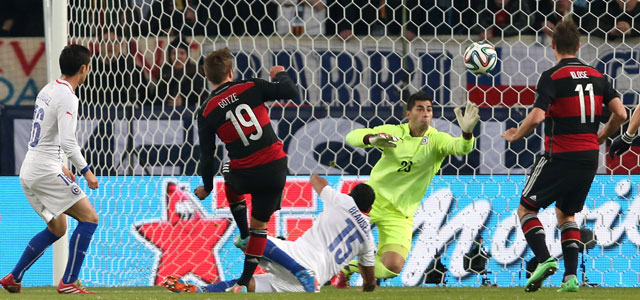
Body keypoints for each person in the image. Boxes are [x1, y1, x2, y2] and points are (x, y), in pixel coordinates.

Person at [501, 21, 626, 293]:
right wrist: (602, 137)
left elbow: (536, 118)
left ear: (553, 45)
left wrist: (515, 135)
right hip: (589, 157)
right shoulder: (597, 75)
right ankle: (570, 278)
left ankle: (545, 259)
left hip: (560, 154)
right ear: (579, 45)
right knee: (566, 214)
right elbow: (622, 114)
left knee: (526, 209)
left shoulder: (553, 77)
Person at [336, 91, 480, 287]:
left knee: (392, 267)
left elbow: (461, 148)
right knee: (335, 246)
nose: (425, 114)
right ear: (408, 114)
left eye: (429, 109)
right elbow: (352, 136)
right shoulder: (395, 132)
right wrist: (372, 139)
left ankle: (348, 268)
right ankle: (317, 271)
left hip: (400, 213)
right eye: (420, 109)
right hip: (371, 203)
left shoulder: (437, 140)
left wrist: (467, 134)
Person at [193, 47, 298, 293]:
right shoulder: (251, 86)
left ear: (208, 77)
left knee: (228, 171)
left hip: (245, 173)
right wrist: (279, 74)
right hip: (275, 167)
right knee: (259, 225)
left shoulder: (207, 111)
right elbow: (291, 92)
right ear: (231, 72)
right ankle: (243, 282)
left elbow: (207, 157)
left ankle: (242, 234)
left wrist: (206, 187)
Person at [164, 174, 377, 293]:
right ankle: (201, 292)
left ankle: (300, 271)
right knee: (247, 283)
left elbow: (316, 180)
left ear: (351, 196)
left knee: (250, 240)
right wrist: (366, 289)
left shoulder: (343, 201)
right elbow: (369, 280)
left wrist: (316, 177)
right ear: (369, 209)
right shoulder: (368, 238)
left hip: (302, 260)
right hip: (313, 285)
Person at [0, 45, 100, 294]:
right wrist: (86, 171)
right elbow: (67, 141)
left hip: (31, 169)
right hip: (45, 170)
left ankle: (14, 277)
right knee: (90, 218)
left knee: (58, 228)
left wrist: (62, 165)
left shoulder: (48, 88)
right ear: (83, 68)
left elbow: (47, 135)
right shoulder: (68, 96)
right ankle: (68, 281)